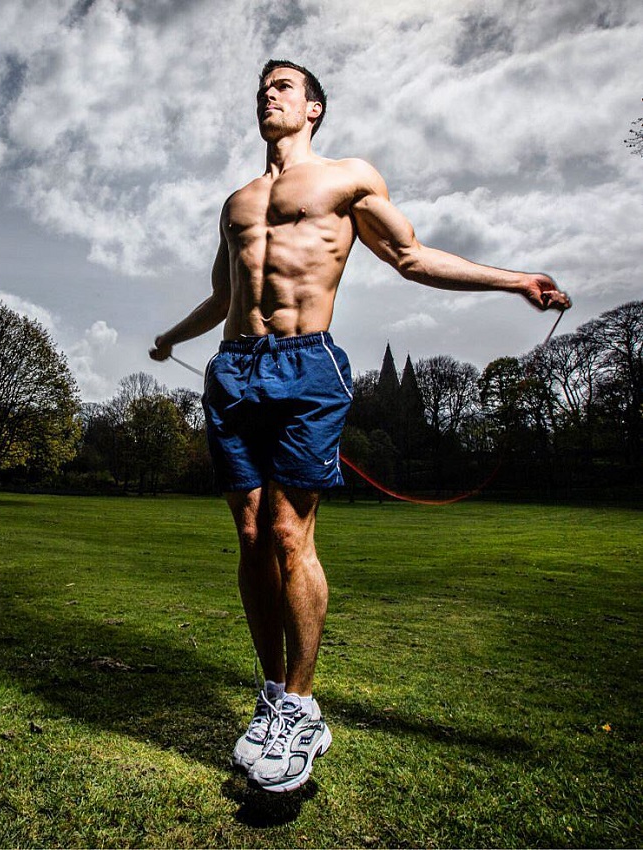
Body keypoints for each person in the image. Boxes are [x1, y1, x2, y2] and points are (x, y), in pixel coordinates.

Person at [149, 59, 570, 793]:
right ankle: (274, 698)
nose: (267, 95)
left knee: (288, 534)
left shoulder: (347, 178)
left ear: (312, 108)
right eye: (262, 89)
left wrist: (515, 278)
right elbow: (223, 295)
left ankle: (305, 706)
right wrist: (171, 338)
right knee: (250, 536)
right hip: (233, 369)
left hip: (307, 366)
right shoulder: (238, 201)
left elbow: (409, 255)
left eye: (283, 86)